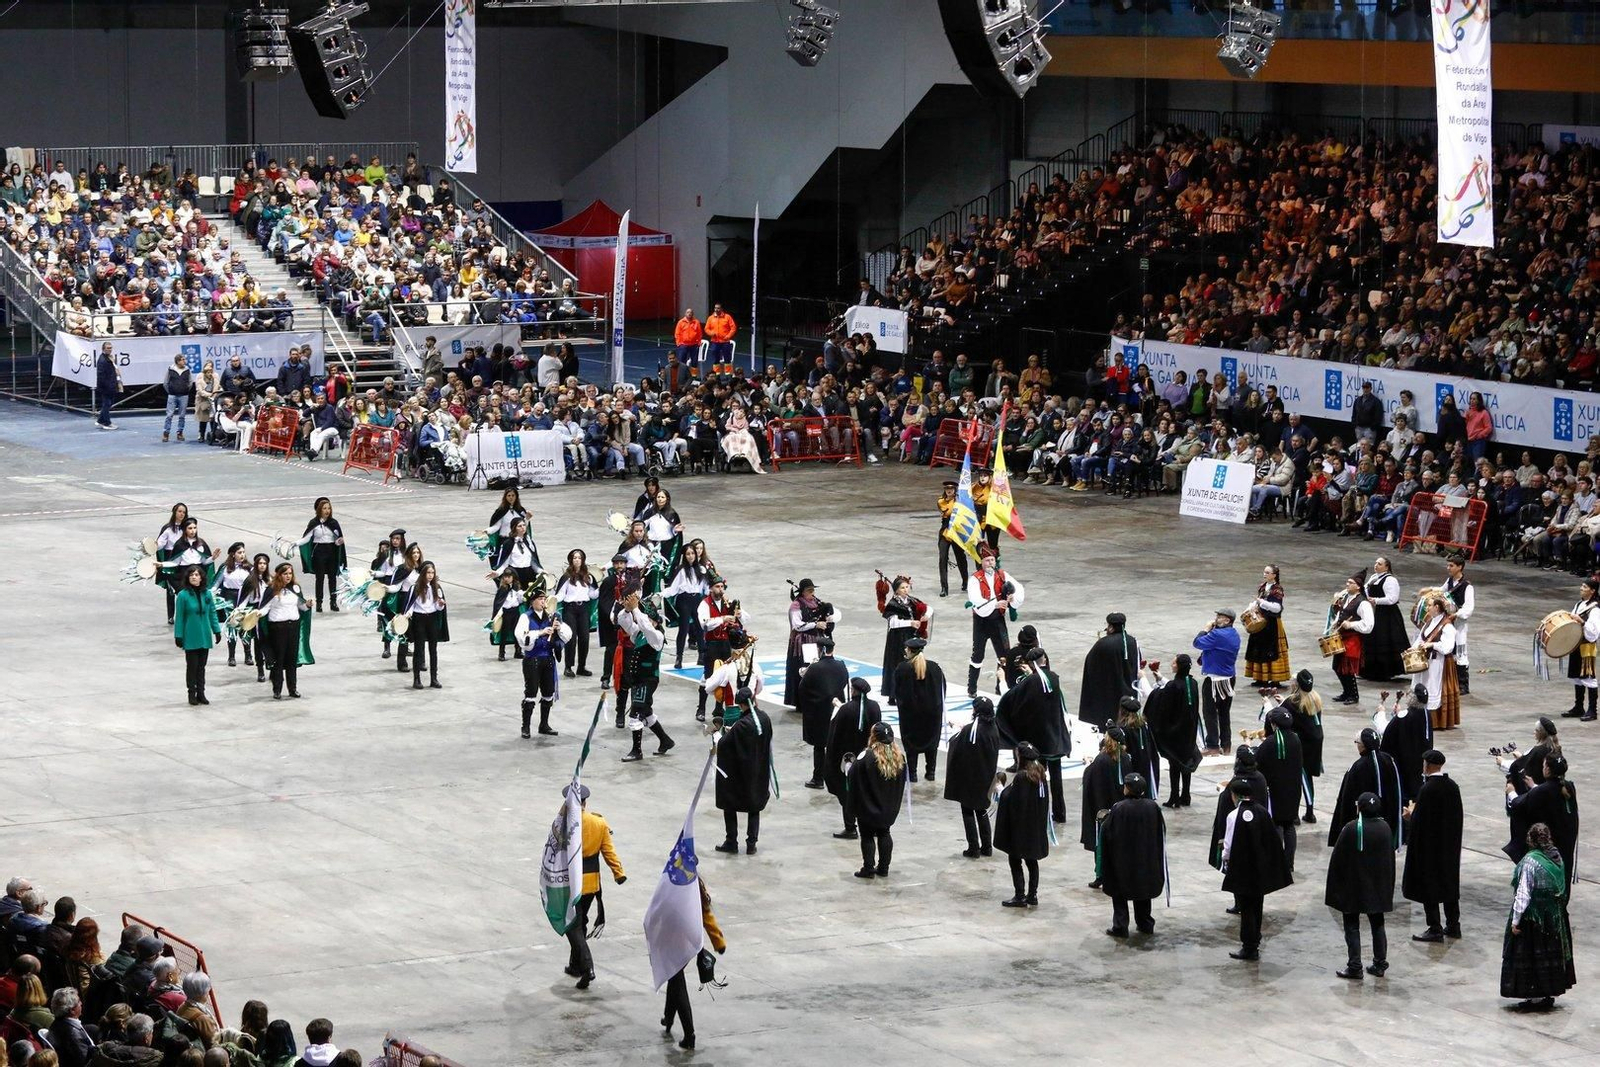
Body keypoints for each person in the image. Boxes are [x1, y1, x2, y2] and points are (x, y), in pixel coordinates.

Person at [1501, 822, 1576, 1011]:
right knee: (1549, 957)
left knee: (1532, 957)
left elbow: (1523, 893)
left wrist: (1516, 920)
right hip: (1553, 917)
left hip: (1534, 919)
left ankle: (1534, 996)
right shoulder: (1557, 857)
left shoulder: (1530, 861)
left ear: (1530, 840)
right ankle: (1547, 993)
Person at [1220, 777, 1292, 961]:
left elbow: (1228, 845)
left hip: (1241, 868)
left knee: (1246, 908)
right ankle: (1255, 939)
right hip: (1259, 868)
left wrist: (1224, 859)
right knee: (1257, 906)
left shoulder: (1233, 816)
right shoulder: (1261, 811)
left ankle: (1249, 946)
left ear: (1234, 796)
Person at [1325, 792, 1396, 980]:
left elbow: (1338, 859)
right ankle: (1380, 963)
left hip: (1354, 887)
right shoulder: (1385, 828)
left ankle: (1355, 966)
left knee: (1352, 926)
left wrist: (1335, 888)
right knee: (1377, 924)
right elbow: (1390, 859)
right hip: (1378, 887)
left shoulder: (1351, 828)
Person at [995, 647, 1070, 823]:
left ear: (1030, 664)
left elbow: (1010, 699)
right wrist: (1031, 674)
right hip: (1056, 739)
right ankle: (1060, 813)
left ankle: (1036, 809)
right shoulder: (1053, 678)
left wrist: (1002, 680)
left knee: (1036, 778)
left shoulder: (1030, 682)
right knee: (1056, 780)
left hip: (1040, 741)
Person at [566, 784, 625, 990]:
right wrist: (619, 872)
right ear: (585, 802)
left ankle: (587, 967)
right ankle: (574, 965)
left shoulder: (563, 824)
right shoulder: (599, 823)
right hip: (591, 883)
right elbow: (609, 851)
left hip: (571, 882)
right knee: (580, 921)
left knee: (572, 925)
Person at [1403, 749, 1464, 942]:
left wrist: (1409, 816)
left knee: (1429, 887)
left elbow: (1421, 823)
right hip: (1450, 847)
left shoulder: (1427, 790)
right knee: (1449, 885)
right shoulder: (1452, 786)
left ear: (1427, 766)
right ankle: (1454, 925)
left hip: (1430, 849)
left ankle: (1435, 927)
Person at [1098, 772, 1166, 938]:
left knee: (1120, 891)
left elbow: (1109, 833)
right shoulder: (1153, 807)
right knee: (1143, 891)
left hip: (1124, 859)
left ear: (1128, 789)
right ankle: (1145, 923)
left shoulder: (1119, 808)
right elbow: (1161, 832)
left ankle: (1120, 926)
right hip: (1145, 857)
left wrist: (1104, 821)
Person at [659, 879, 724, 1052]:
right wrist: (718, 942)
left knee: (678, 984)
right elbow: (707, 915)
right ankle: (668, 1018)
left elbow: (659, 910)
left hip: (673, 942)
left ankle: (689, 1035)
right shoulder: (696, 885)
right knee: (674, 979)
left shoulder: (671, 883)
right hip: (689, 942)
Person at [614, 582, 675, 761]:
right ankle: (665, 740)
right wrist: (627, 609)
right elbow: (624, 623)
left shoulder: (656, 636)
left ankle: (637, 751)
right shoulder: (639, 633)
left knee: (635, 715)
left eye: (649, 619)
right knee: (646, 713)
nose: (644, 621)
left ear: (655, 621)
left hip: (648, 680)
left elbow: (645, 625)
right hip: (638, 680)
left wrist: (636, 610)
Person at [1504, 754, 1580, 897]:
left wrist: (1511, 792)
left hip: (1550, 849)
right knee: (1563, 883)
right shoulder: (1569, 786)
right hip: (1566, 845)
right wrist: (1534, 787)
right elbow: (1551, 794)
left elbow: (1519, 805)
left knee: (1548, 887)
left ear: (1547, 770)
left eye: (1544, 765)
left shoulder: (1542, 791)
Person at [714, 687, 773, 855]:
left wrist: (718, 735)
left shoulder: (742, 725)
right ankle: (751, 844)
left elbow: (724, 745)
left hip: (739, 775)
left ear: (741, 705)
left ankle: (731, 841)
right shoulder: (764, 719)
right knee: (754, 807)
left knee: (729, 804)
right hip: (758, 771)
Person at [995, 742, 1052, 908]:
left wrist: (1000, 790)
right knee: (1032, 861)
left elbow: (1014, 801)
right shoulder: (1040, 774)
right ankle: (1032, 895)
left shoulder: (1022, 777)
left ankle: (1020, 895)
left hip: (1021, 827)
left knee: (1015, 859)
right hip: (1035, 826)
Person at [848, 722, 907, 879]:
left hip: (868, 807)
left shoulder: (866, 756)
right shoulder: (899, 758)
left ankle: (868, 868)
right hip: (889, 808)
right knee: (884, 832)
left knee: (867, 835)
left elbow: (853, 776)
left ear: (873, 736)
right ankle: (883, 868)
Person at [1329, 728, 1404, 851]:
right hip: (1386, 818)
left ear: (1362, 746)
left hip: (1364, 823)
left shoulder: (1357, 767)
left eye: (1357, 743)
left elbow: (1347, 797)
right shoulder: (1389, 761)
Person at [944, 697, 1000, 858]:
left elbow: (958, 745)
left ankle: (973, 847)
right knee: (981, 810)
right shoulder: (993, 729)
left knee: (967, 810)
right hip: (987, 775)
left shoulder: (972, 730)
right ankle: (987, 846)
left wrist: (958, 731)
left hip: (971, 777)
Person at [826, 678, 881, 839]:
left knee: (847, 791)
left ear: (853, 691)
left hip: (848, 759)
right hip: (869, 757)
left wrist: (831, 759)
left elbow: (835, 736)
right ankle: (872, 824)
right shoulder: (875, 707)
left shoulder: (846, 709)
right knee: (869, 790)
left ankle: (850, 827)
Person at [1143, 655, 1201, 808]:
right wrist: (1161, 678)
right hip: (1189, 731)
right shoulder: (1192, 683)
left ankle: (1174, 796)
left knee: (1174, 763)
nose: (1172, 664)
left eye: (1174, 662)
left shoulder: (1174, 686)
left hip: (1175, 732)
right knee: (1186, 761)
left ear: (1179, 666)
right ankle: (1186, 794)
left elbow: (1161, 701)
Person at [966, 546, 1023, 698]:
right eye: (987, 560)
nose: (990, 563)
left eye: (992, 560)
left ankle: (1000, 686)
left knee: (1004, 655)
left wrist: (1012, 598)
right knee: (977, 655)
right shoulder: (975, 579)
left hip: (998, 620)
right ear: (981, 562)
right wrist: (994, 604)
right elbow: (976, 600)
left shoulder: (1002, 574)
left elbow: (1018, 588)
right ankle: (971, 688)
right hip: (981, 622)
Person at [516, 581, 571, 738]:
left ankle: (544, 724)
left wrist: (559, 628)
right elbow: (521, 638)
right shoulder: (525, 617)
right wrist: (539, 632)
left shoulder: (551, 616)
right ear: (533, 601)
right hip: (532, 659)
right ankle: (525, 727)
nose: (543, 602)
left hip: (548, 659)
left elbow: (568, 636)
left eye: (544, 599)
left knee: (548, 692)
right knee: (531, 692)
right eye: (540, 599)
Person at [1256, 707, 1304, 873]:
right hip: (1293, 789)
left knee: (1276, 824)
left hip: (1275, 789)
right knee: (1289, 825)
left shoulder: (1269, 742)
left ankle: (1275, 861)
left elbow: (1258, 762)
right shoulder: (1296, 740)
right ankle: (1289, 863)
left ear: (1274, 724)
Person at [798, 636, 849, 789]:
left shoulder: (815, 668)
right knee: (836, 746)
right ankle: (837, 777)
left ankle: (818, 778)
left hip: (819, 713)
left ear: (821, 650)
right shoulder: (841, 666)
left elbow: (802, 688)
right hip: (836, 711)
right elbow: (844, 682)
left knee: (819, 747)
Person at [1081, 729, 1132, 883]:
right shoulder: (1125, 758)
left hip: (1102, 808)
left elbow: (1093, 784)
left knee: (1101, 843)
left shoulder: (1102, 760)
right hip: (1120, 807)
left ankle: (1102, 875)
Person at [893, 636, 945, 782]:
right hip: (932, 715)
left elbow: (897, 693)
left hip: (911, 715)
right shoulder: (935, 668)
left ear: (910, 650)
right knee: (932, 743)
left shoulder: (902, 669)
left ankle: (912, 773)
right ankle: (931, 772)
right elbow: (942, 691)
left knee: (911, 744)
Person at [784, 579, 838, 706]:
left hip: (816, 639)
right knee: (805, 669)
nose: (812, 593)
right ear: (802, 592)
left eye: (813, 590)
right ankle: (802, 701)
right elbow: (797, 625)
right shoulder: (796, 605)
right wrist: (815, 624)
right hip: (803, 642)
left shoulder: (816, 602)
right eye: (809, 590)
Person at [1280, 669, 1325, 822]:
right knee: (1308, 779)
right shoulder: (1316, 699)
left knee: (1294, 780)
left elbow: (1280, 716)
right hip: (1315, 744)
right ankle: (1310, 811)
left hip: (1299, 745)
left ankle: (1294, 814)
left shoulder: (1293, 702)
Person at [173, 566, 221, 707]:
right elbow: (179, 617)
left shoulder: (207, 594)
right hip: (190, 635)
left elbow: (212, 612)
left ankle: (201, 693)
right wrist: (178, 635)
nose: (194, 577)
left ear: (201, 577)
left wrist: (216, 630)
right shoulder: (183, 595)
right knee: (192, 666)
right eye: (192, 575)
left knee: (202, 666)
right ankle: (191, 693)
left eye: (197, 574)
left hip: (204, 635)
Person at [1194, 609, 1240, 755]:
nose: (1216, 619)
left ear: (1227, 621)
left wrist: (1205, 629)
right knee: (1224, 712)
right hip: (1229, 677)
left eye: (1220, 617)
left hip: (1215, 679)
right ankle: (1226, 745)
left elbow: (1197, 643)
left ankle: (1212, 745)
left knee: (1210, 712)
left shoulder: (1217, 634)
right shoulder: (1234, 633)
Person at [262, 564, 311, 700]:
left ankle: (292, 688)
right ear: (279, 575)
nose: (288, 576)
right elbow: (265, 608)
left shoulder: (295, 588)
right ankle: (277, 689)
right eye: (285, 574)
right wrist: (256, 614)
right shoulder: (272, 590)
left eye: (290, 573)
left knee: (291, 659)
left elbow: (301, 606)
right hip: (278, 628)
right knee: (279, 659)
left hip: (293, 626)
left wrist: (307, 605)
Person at [1079, 612, 1138, 724]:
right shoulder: (1133, 641)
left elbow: (1091, 668)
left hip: (1108, 692)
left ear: (1110, 627)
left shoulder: (1103, 644)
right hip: (1127, 689)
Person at [877, 574, 926, 706]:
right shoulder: (893, 604)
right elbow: (893, 623)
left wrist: (924, 616)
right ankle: (893, 694)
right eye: (903, 588)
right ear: (897, 590)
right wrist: (910, 623)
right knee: (896, 664)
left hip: (909, 635)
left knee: (911, 663)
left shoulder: (912, 601)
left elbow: (924, 609)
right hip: (897, 638)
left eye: (907, 587)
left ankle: (910, 691)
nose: (906, 590)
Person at [1381, 683, 1433, 804]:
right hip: (1419, 762)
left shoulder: (1403, 716)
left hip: (1403, 763)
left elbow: (1386, 731)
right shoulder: (1426, 715)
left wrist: (1381, 713)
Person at [1327, 571, 1374, 705]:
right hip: (1341, 637)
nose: (1347, 584)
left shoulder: (1363, 603)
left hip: (1353, 639)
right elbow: (1341, 613)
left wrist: (1351, 624)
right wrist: (1335, 623)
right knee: (1337, 666)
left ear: (1358, 586)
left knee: (1347, 668)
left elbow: (1369, 625)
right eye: (1347, 582)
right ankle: (1346, 692)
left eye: (1351, 583)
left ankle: (1353, 695)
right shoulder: (1347, 598)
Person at [1414, 594, 1461, 730]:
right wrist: (1413, 648)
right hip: (1426, 662)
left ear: (1437, 607)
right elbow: (1420, 638)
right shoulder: (1429, 621)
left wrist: (1432, 645)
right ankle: (1419, 717)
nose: (1426, 608)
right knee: (1422, 686)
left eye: (1429, 605)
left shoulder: (1447, 626)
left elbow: (1447, 648)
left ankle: (1434, 721)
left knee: (1433, 687)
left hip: (1439, 663)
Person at [400, 561, 449, 690]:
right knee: (418, 649)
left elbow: (438, 608)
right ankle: (417, 679)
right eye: (428, 572)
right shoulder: (415, 588)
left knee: (433, 649)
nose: (430, 575)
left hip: (431, 618)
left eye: (432, 572)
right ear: (423, 574)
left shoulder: (436, 588)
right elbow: (410, 605)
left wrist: (441, 604)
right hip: (419, 618)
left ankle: (434, 678)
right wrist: (407, 615)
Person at [294, 497, 346, 612]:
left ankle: (333, 602)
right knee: (320, 578)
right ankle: (319, 603)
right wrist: (295, 543)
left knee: (332, 578)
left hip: (331, 551)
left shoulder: (334, 522)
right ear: (319, 510)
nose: (327, 510)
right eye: (324, 508)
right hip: (319, 552)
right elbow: (306, 538)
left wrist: (339, 542)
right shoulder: (314, 523)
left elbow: (338, 539)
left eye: (329, 508)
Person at [1244, 564, 1291, 690]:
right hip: (1261, 622)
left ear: (1274, 575)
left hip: (1272, 623)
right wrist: (1252, 607)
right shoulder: (1263, 587)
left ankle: (1275, 679)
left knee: (1272, 649)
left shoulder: (1277, 589)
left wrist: (1261, 603)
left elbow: (1277, 608)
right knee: (1259, 648)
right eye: (1264, 572)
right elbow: (1258, 601)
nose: (1264, 574)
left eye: (1267, 572)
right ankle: (1261, 678)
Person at [1360, 557, 1407, 681]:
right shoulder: (1374, 577)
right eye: (1375, 563)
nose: (1376, 565)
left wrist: (1375, 600)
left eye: (1379, 564)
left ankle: (1384, 671)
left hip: (1387, 616)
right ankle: (1370, 671)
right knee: (1372, 639)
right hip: (1375, 612)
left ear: (1386, 567)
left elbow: (1393, 598)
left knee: (1384, 639)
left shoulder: (1390, 580)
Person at [1560, 575, 1600, 722]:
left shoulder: (1595, 609)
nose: (1581, 589)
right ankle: (1578, 707)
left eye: (1584, 587)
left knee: (1588, 677)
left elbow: (1594, 633)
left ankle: (1592, 710)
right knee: (1577, 677)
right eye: (1581, 586)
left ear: (1592, 591)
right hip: (1576, 644)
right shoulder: (1579, 604)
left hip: (1587, 647)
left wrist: (1582, 621)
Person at [554, 549, 598, 679]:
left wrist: (604, 589)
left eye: (579, 558)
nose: (577, 560)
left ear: (583, 560)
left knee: (584, 638)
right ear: (571, 560)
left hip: (583, 609)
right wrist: (553, 600)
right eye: (574, 558)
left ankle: (581, 666)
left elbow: (592, 594)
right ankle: (568, 666)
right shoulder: (567, 577)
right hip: (570, 609)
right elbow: (561, 595)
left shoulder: (588, 577)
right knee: (571, 638)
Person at [1442, 553, 1475, 695]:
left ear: (1460, 567)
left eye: (1451, 565)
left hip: (1459, 624)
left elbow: (1469, 608)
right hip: (1448, 623)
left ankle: (1463, 685)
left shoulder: (1467, 586)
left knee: (1461, 652)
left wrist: (1456, 614)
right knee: (1448, 650)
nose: (1448, 568)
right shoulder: (1449, 581)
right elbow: (1441, 592)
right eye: (1448, 565)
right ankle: (1449, 681)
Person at [935, 480, 969, 597]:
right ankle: (944, 587)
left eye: (951, 489)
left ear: (955, 490)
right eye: (947, 489)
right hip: (945, 531)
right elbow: (947, 512)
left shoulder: (960, 501)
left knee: (960, 556)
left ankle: (965, 580)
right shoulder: (941, 501)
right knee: (942, 558)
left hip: (957, 531)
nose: (949, 491)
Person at [94, 342, 121, 430]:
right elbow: (101, 376)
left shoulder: (109, 358)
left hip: (111, 385)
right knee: (107, 404)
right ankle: (107, 423)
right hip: (106, 387)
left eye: (110, 348)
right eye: (108, 348)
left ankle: (100, 420)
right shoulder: (102, 360)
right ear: (103, 349)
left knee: (108, 404)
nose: (110, 349)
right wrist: (107, 386)